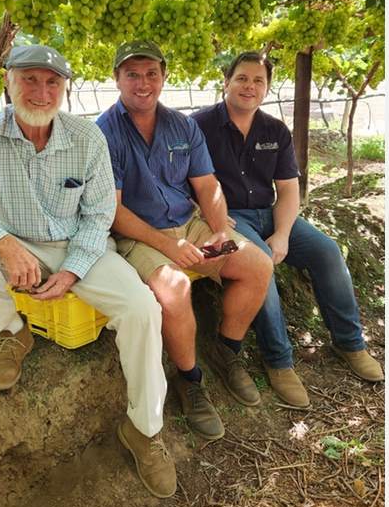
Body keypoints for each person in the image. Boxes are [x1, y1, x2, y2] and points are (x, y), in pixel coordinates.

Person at [0, 44, 175, 498]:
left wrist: (74, 270)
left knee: (142, 309)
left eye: (52, 82)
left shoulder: (85, 138)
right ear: (7, 83)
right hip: (12, 241)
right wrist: (1, 243)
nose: (41, 92)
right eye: (29, 80)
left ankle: (144, 430)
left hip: (77, 243)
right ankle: (10, 331)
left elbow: (98, 217)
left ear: (65, 89)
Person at [94, 40, 274, 442]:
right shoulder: (103, 134)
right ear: (117, 79)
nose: (143, 83)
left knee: (258, 264)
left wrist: (221, 231)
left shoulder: (182, 125)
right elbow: (115, 211)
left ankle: (225, 352)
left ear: (164, 76)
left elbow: (207, 186)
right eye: (132, 75)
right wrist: (169, 247)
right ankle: (190, 382)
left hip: (187, 221)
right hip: (137, 232)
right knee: (174, 292)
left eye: (151, 74)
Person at [190, 51, 383, 408]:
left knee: (326, 251)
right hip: (231, 218)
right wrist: (209, 212)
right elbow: (184, 179)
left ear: (266, 88)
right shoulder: (199, 125)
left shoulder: (274, 129)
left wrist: (281, 233)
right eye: (242, 79)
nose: (249, 87)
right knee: (260, 262)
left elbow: (289, 190)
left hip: (269, 212)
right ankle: (279, 361)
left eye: (258, 81)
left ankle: (350, 343)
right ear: (226, 83)